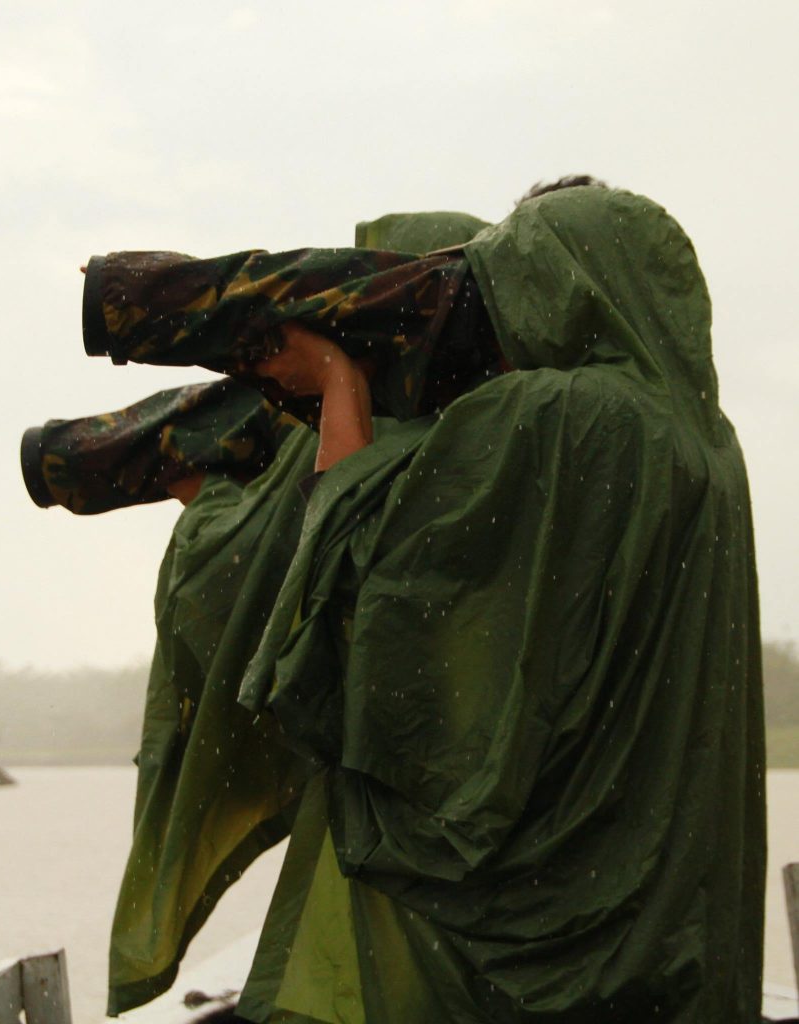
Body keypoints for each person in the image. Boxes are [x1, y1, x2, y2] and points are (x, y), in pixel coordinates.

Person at [89, 181, 764, 1023]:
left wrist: (336, 380)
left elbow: (360, 587)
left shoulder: (562, 418)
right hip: (671, 925)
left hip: (550, 942)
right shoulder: (704, 441)